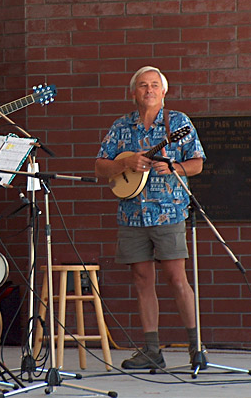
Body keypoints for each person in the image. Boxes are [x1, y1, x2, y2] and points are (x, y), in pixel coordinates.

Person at [95, 66, 206, 369]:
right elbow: (100, 167)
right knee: (142, 279)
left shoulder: (178, 123)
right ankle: (152, 350)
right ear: (133, 93)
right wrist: (125, 163)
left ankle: (196, 348)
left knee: (176, 277)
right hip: (132, 214)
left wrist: (175, 168)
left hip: (168, 211)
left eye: (154, 85)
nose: (149, 90)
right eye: (143, 86)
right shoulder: (121, 127)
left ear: (164, 91)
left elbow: (197, 164)